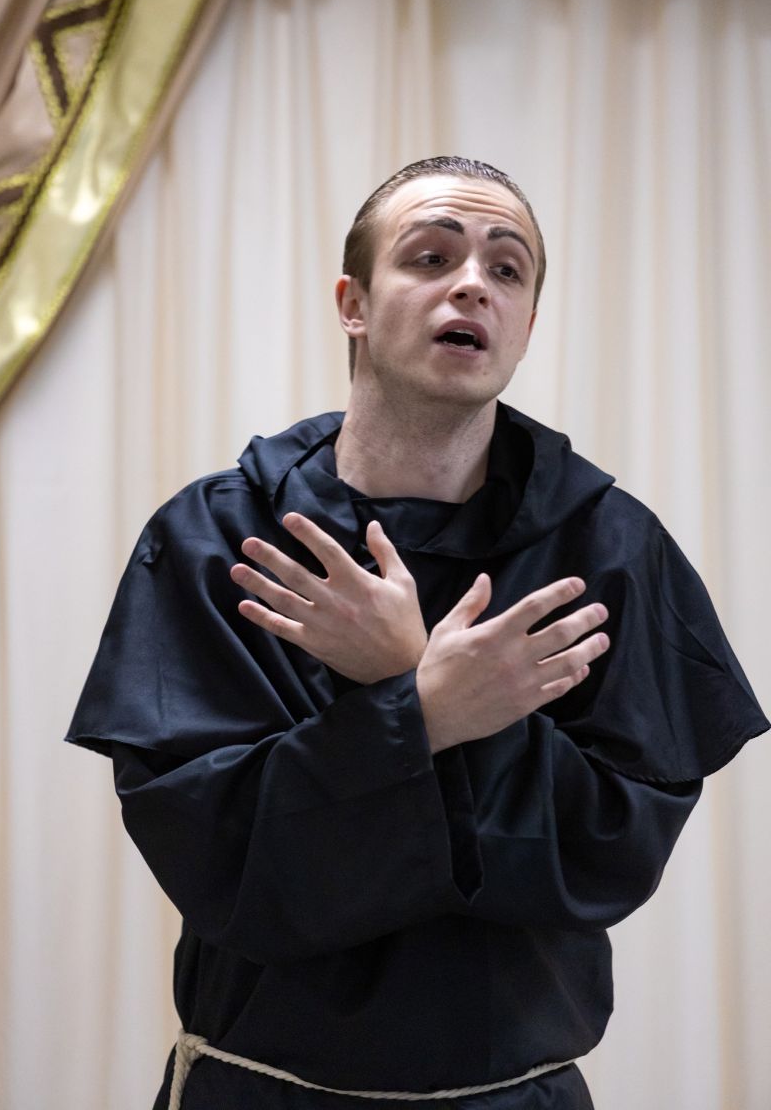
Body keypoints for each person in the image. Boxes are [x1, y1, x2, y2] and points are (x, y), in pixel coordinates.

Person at [66, 156, 768, 1110]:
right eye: (431, 257)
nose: (473, 284)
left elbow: (606, 856)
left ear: (526, 325)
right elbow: (224, 861)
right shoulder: (219, 540)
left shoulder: (608, 548)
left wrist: (408, 691)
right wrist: (423, 708)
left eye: (507, 269)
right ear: (353, 303)